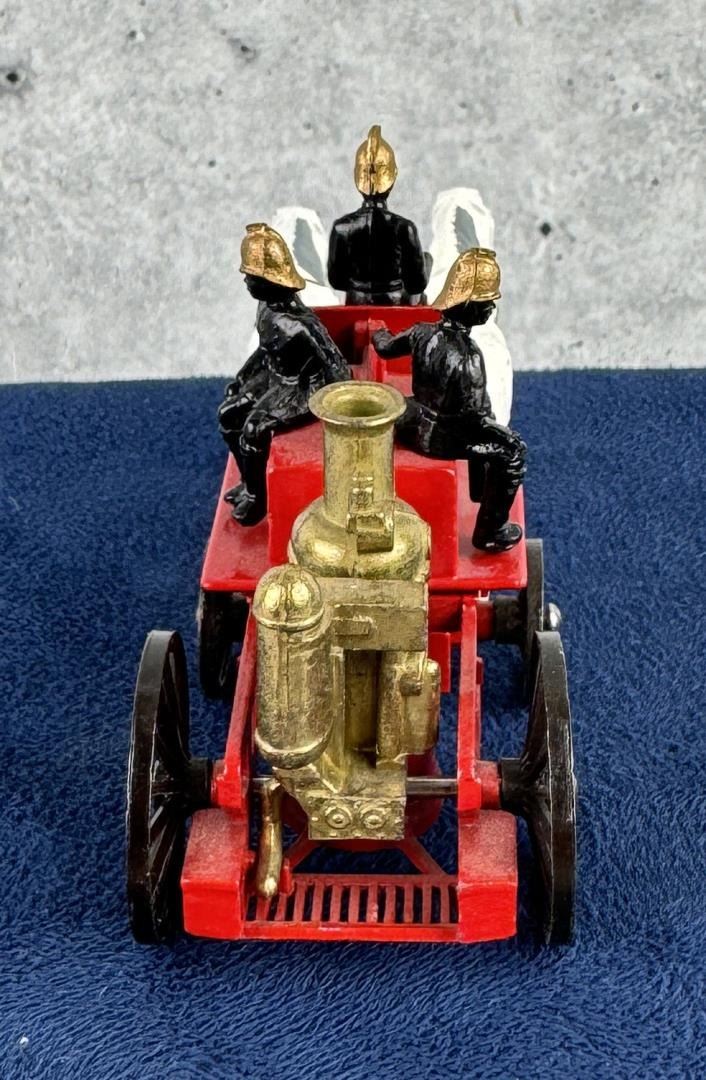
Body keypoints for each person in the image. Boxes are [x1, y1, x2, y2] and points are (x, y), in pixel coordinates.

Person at [372, 248, 526, 552]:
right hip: (443, 439)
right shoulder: (469, 357)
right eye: (486, 303)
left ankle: (480, 490)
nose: (490, 307)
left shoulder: (421, 332)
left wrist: (379, 331)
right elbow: (475, 420)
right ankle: (490, 530)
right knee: (513, 451)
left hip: (412, 421)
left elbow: (385, 347)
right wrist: (503, 434)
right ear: (469, 306)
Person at [218, 223, 350, 526]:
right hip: (274, 373)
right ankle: (248, 482)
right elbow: (265, 349)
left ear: (270, 281)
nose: (246, 281)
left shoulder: (300, 325)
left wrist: (334, 407)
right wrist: (243, 377)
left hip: (300, 388)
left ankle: (258, 498)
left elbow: (336, 367)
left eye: (252, 277)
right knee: (228, 414)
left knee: (254, 429)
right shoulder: (266, 308)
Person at [328, 125, 428, 305]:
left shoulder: (341, 227)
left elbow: (337, 281)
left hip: (356, 302)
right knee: (427, 261)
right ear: (393, 176)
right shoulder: (405, 228)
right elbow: (416, 285)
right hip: (395, 306)